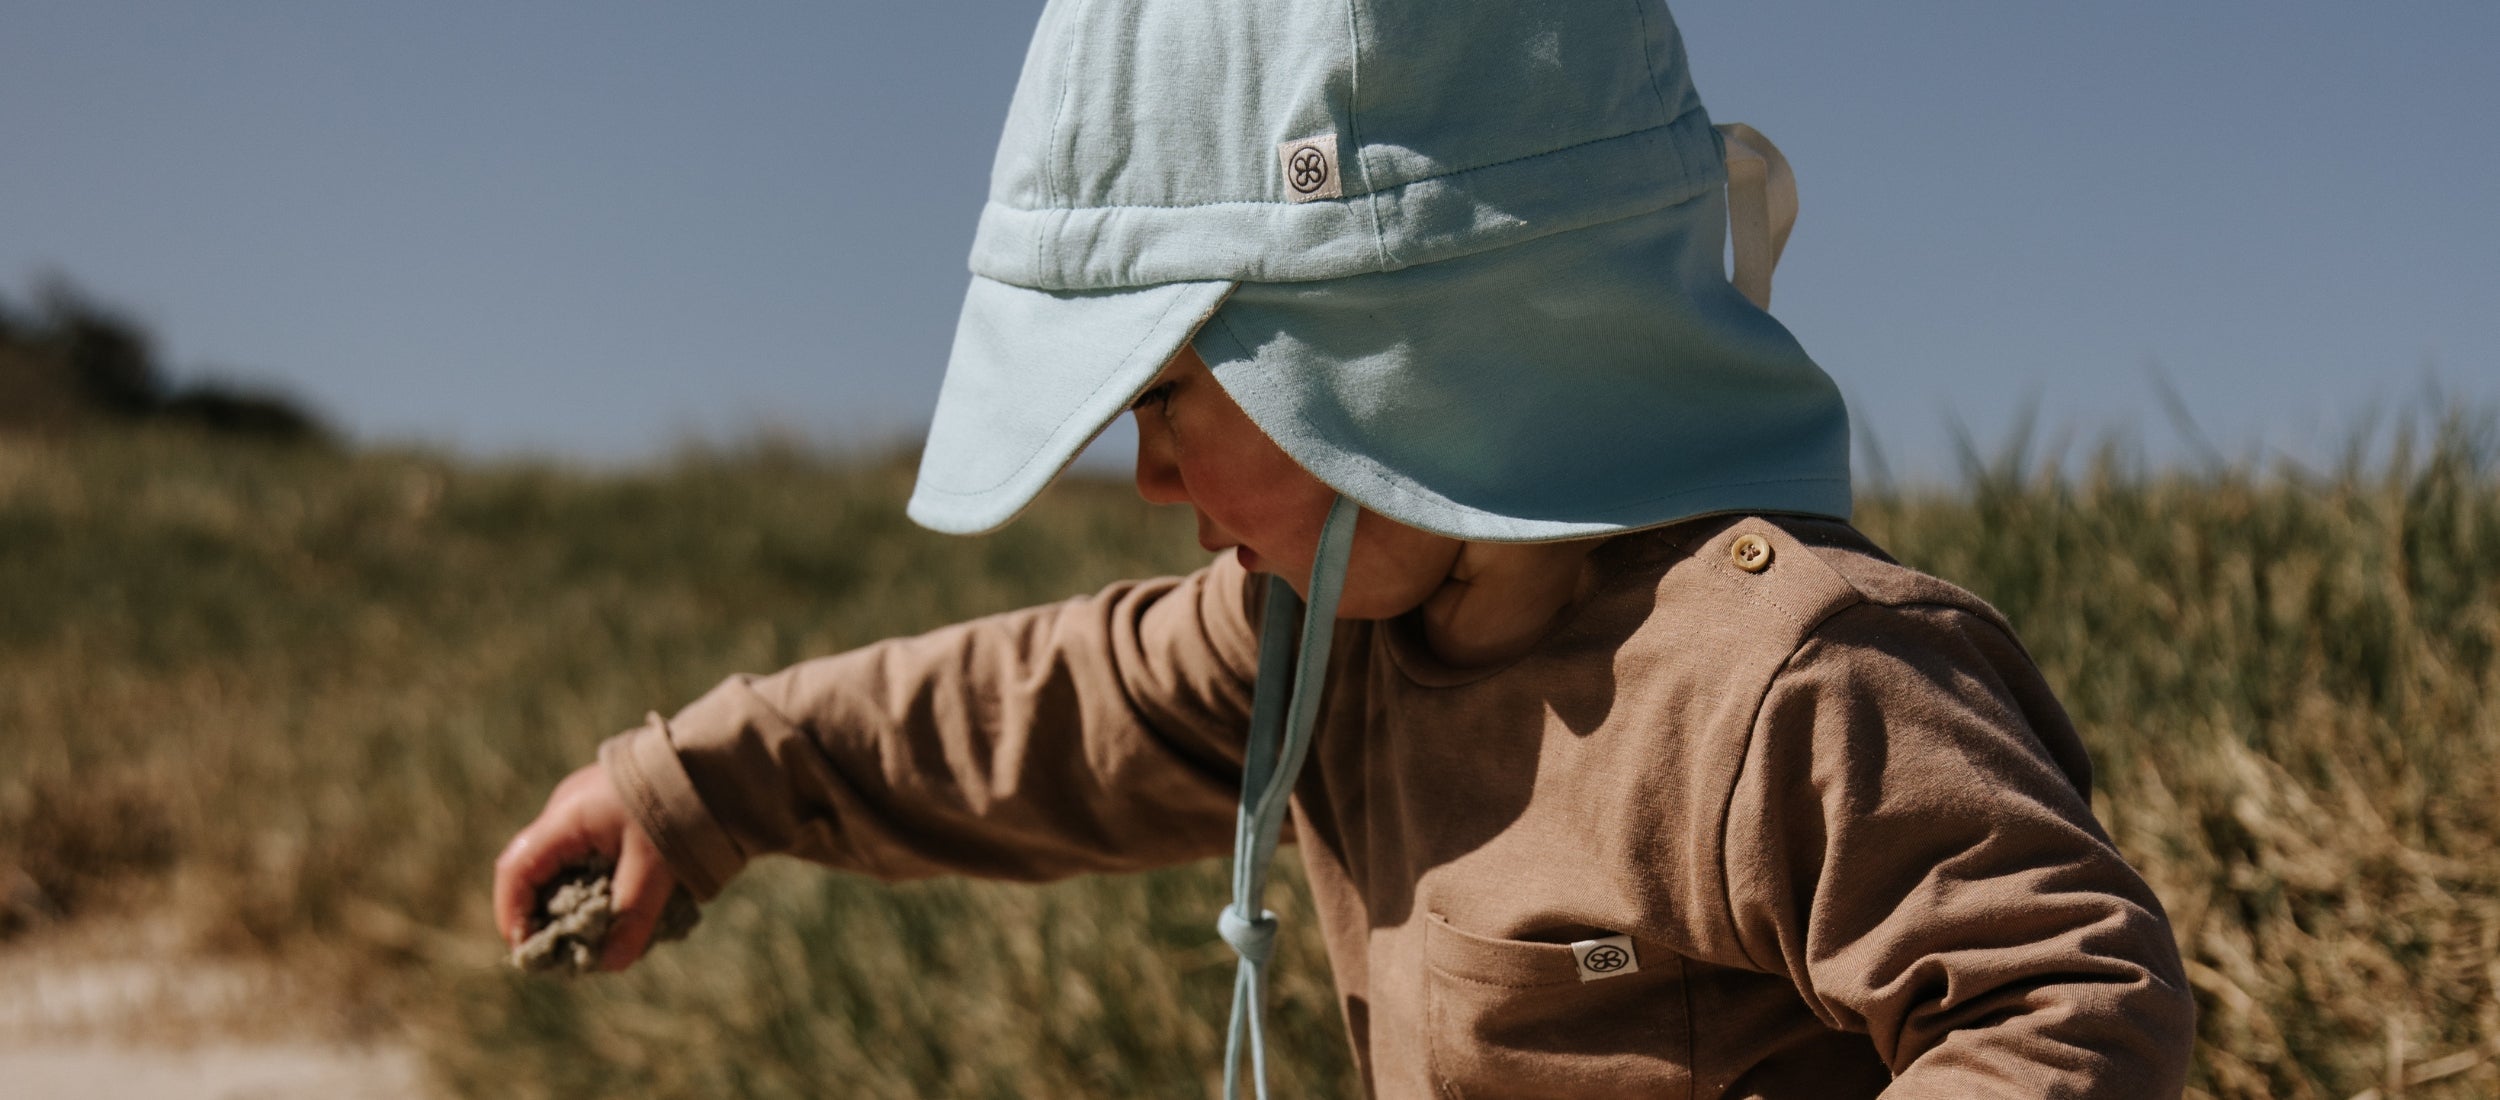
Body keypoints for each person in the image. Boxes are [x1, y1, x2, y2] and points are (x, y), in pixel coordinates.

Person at [493, 0, 2196, 1095]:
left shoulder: (1779, 681)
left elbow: (2063, 997)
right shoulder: (1325, 640)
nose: (1149, 479)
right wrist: (698, 790)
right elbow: (1041, 710)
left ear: (1410, 371)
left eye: (1171, 400)